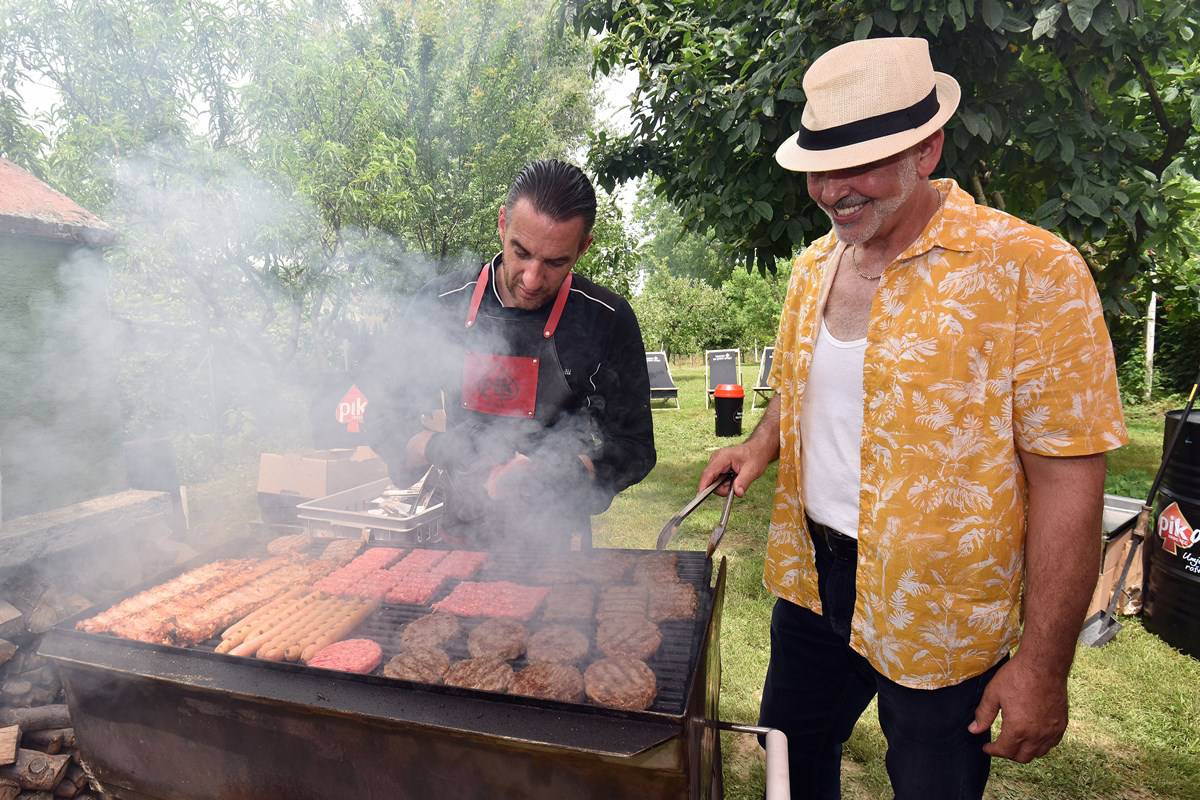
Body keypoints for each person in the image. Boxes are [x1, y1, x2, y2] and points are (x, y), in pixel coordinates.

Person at [698, 37, 1127, 799]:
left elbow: (1069, 483)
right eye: (817, 169)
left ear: (926, 150)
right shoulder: (810, 269)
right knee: (789, 769)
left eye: (856, 165)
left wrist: (1043, 665)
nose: (832, 191)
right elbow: (800, 390)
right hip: (812, 580)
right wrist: (760, 445)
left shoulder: (1034, 271)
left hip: (944, 610)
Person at [368, 159, 655, 549]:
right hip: (456, 536)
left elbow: (635, 446)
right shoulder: (441, 303)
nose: (533, 279)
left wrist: (571, 470)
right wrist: (436, 446)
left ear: (583, 247)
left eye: (556, 262)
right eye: (521, 252)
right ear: (503, 224)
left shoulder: (606, 319)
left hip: (557, 545)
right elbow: (383, 415)